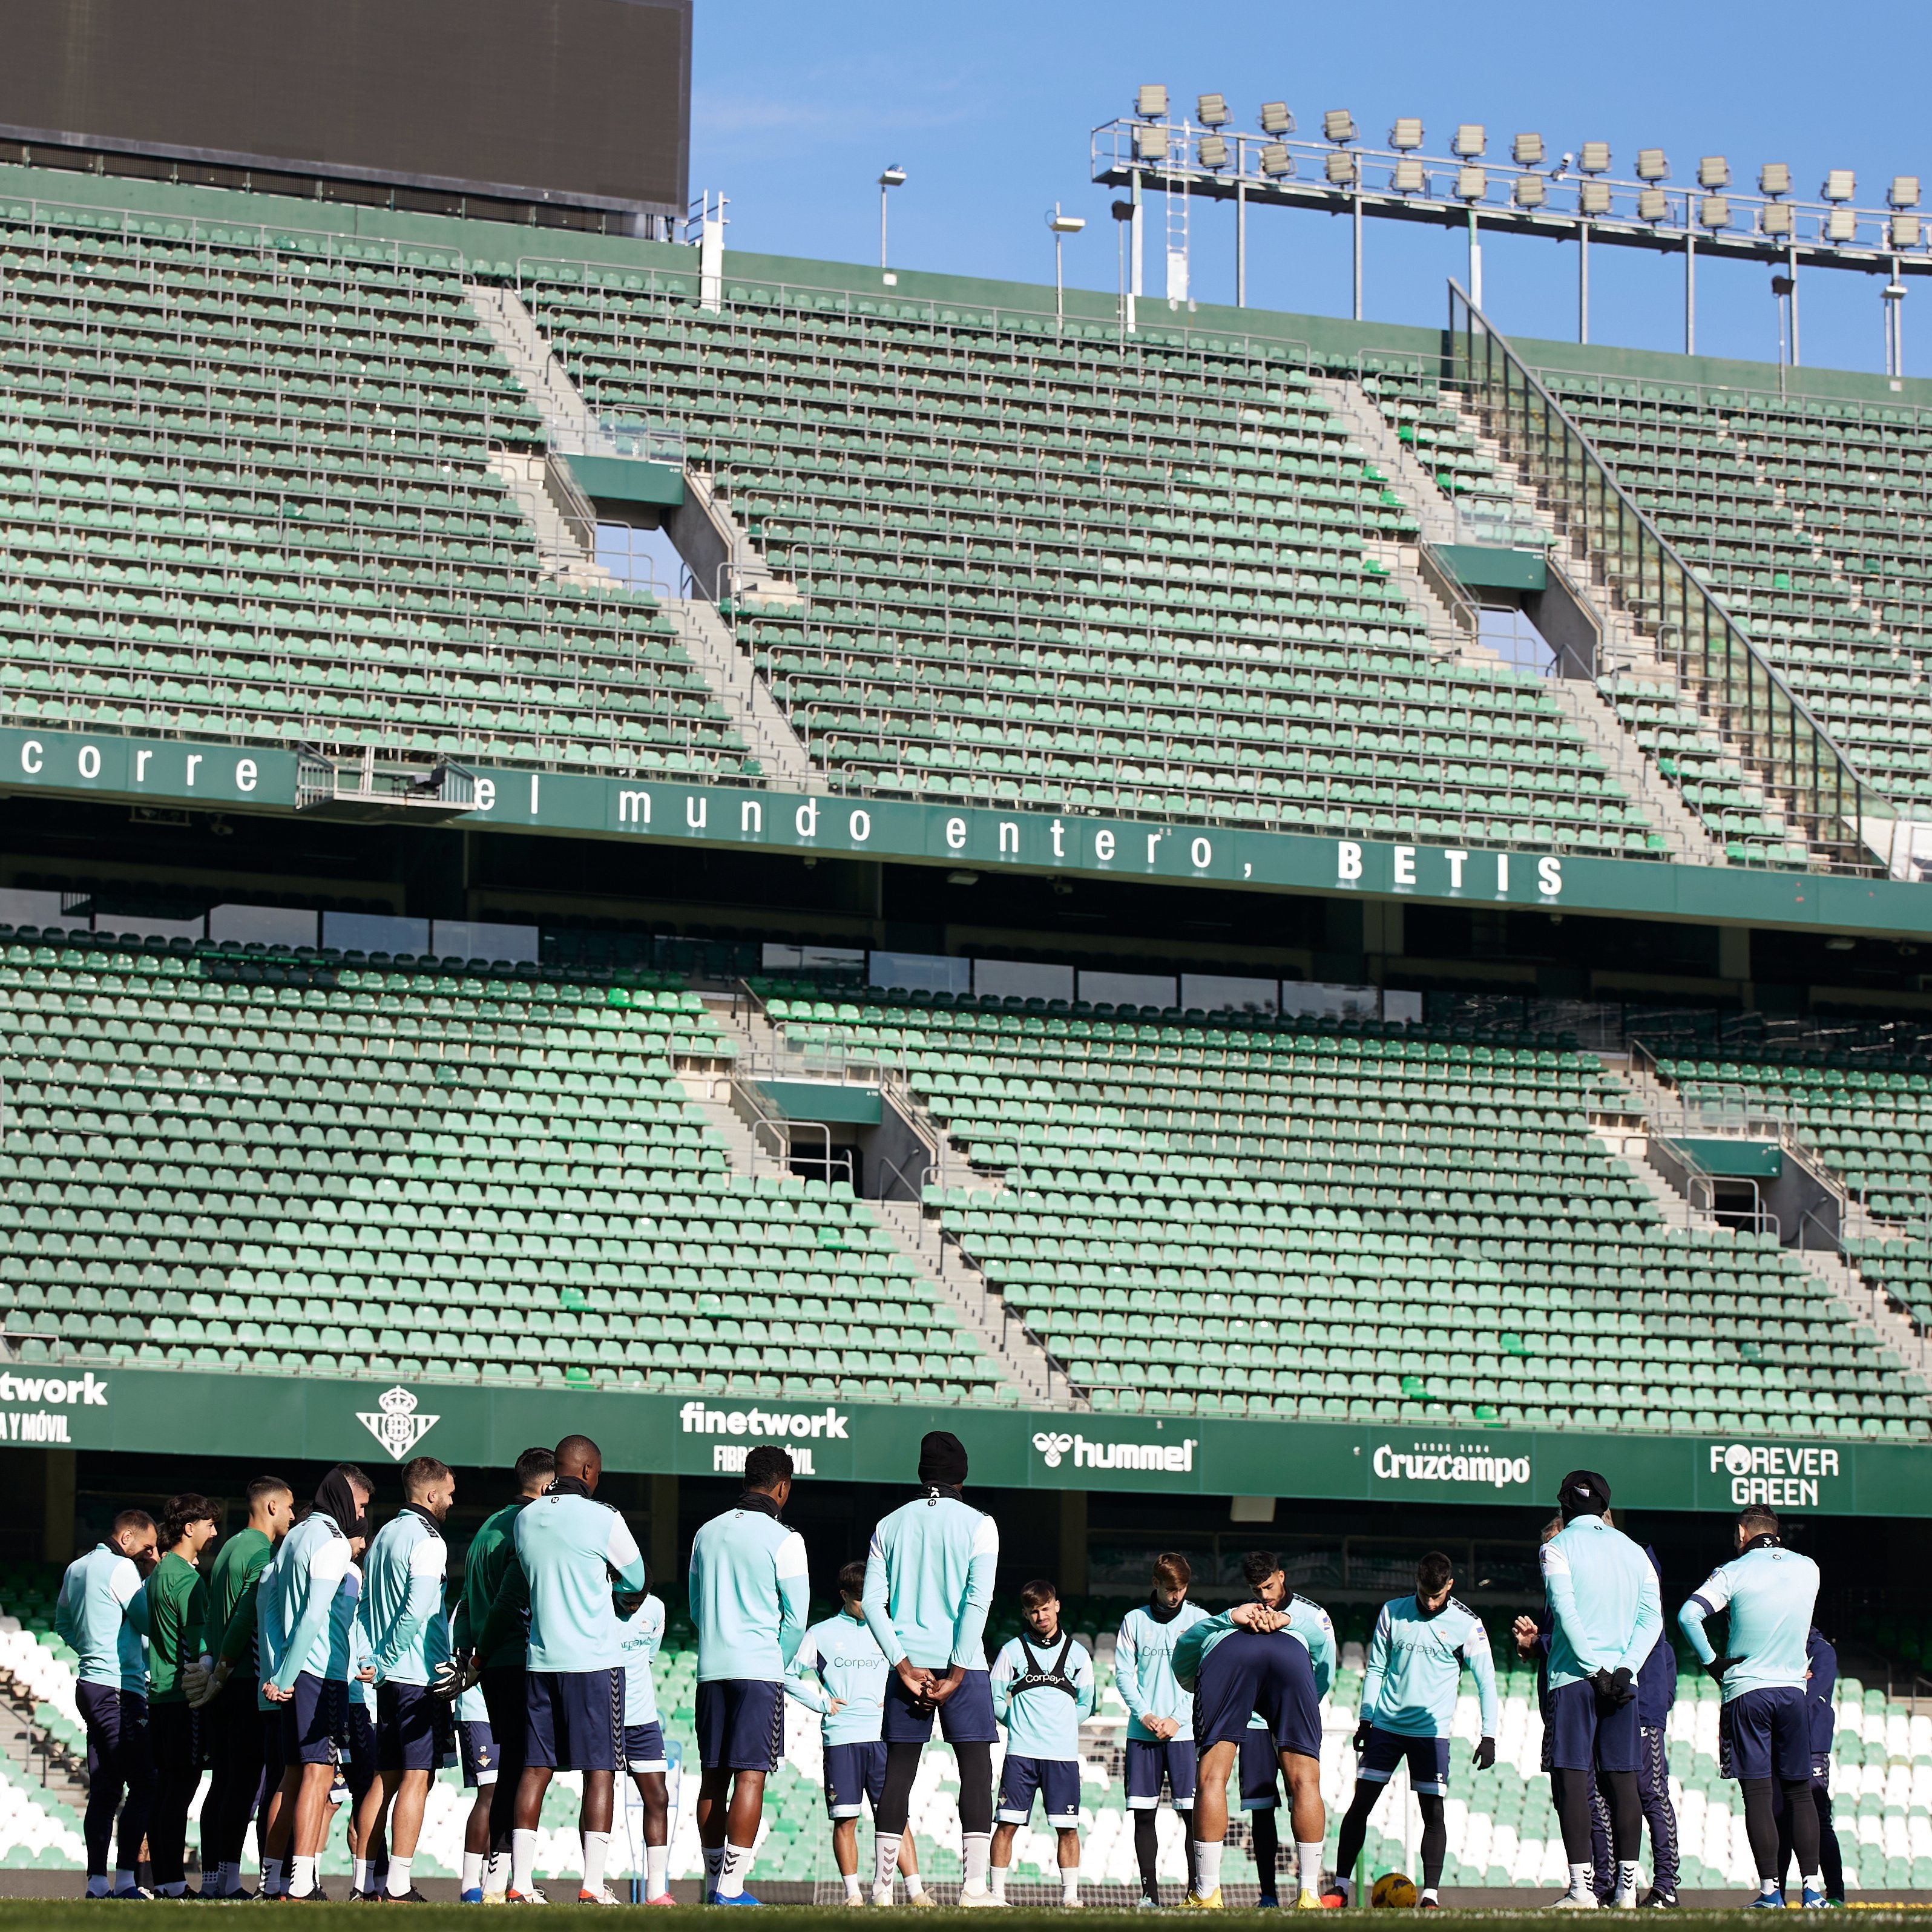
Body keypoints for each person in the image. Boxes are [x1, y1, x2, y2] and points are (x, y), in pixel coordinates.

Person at [479, 1433, 646, 1907]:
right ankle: (592, 1884)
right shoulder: (604, 1517)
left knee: (534, 1769)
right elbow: (635, 1578)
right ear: (589, 1471)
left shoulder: (526, 1519)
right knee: (599, 1772)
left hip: (541, 1659)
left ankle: (520, 1882)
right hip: (593, 1662)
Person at [861, 1430, 1002, 1908]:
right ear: (962, 1474)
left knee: (897, 1773)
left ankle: (880, 1890)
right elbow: (975, 1603)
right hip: (963, 1666)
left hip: (909, 1665)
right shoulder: (981, 1525)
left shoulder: (888, 1525)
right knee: (976, 1772)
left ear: (921, 1472)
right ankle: (975, 1890)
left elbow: (873, 1605)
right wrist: (958, 1675)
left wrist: (902, 1666)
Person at [1334, 1550, 1499, 1911]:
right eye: (1424, 1592)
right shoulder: (1393, 1612)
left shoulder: (1467, 1625)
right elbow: (1376, 1667)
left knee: (1433, 1813)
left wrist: (1489, 1736)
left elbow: (1487, 1682)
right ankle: (1339, 1888)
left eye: (1437, 1595)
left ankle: (1430, 1896)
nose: (1429, 1600)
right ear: (1416, 1582)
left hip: (1431, 1733)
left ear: (1450, 1586)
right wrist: (1366, 1719)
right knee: (1360, 1805)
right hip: (1387, 1728)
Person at [1679, 1504, 1824, 1909]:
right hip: (1793, 1692)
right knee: (1800, 1793)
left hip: (1746, 1691)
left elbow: (1689, 1615)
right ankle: (1812, 1891)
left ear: (1743, 1532)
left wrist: (1712, 1663)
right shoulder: (1809, 1569)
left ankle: (1770, 1892)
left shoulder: (1734, 1571)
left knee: (1758, 1794)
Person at [1174, 1548, 1335, 1912]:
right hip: (1292, 1661)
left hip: (1230, 1657)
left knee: (1213, 1777)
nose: (1263, 1598)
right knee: (1306, 1781)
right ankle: (1309, 1894)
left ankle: (1207, 1894)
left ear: (1282, 1576)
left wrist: (1229, 1620)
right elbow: (1321, 1653)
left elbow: (1184, 1649)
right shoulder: (1301, 1626)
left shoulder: (1227, 1621)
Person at [688, 1444, 810, 1907]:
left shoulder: (706, 1533)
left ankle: (713, 1883)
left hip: (712, 1669)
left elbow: (698, 1608)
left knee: (713, 1777)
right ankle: (732, 1889)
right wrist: (773, 1663)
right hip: (758, 1670)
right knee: (751, 1777)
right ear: (783, 1488)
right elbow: (796, 1621)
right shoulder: (787, 1539)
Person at [1541, 1469, 1661, 1911]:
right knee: (1623, 1780)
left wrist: (1593, 1670)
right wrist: (1625, 1670)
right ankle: (1627, 1891)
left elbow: (1566, 1612)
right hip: (1622, 1682)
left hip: (1575, 1679)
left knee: (1573, 1780)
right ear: (1605, 1507)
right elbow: (1653, 1620)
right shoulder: (1636, 1552)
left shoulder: (1555, 1549)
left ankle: (1581, 1891)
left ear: (1564, 1505)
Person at [787, 1559, 928, 1909]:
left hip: (884, 1737)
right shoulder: (820, 1634)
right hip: (842, 1738)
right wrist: (821, 1703)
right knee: (845, 1819)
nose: (868, 1606)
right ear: (844, 1595)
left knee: (896, 1817)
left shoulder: (890, 1630)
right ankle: (852, 1895)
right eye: (861, 1599)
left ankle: (916, 1893)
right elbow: (786, 1673)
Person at [261, 1465, 373, 1902]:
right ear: (346, 1499)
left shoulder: (294, 1537)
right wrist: (287, 1675)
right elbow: (313, 1615)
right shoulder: (330, 1543)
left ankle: (273, 1880)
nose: (360, 1516)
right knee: (319, 1774)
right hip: (320, 1672)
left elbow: (271, 1609)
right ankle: (303, 1881)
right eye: (360, 1505)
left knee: (292, 1775)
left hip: (295, 1670)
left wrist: (278, 1671)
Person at [186, 1474, 294, 1899]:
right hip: (245, 1680)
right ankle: (230, 1879)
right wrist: (226, 1668)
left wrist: (214, 1669)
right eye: (288, 1508)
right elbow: (245, 1618)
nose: (290, 1515)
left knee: (224, 1783)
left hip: (225, 1682)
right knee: (245, 1784)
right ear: (270, 1507)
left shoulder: (230, 1546)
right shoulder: (261, 1552)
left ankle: (213, 1877)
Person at [356, 1455, 456, 1904]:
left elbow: (364, 1607)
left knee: (385, 1778)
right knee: (417, 1777)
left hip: (388, 1678)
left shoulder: (383, 1537)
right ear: (431, 1494)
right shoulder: (429, 1540)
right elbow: (417, 1610)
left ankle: (364, 1882)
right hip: (416, 1675)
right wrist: (388, 1657)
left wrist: (372, 1659)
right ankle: (397, 1883)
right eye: (449, 1493)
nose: (452, 1501)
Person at [461, 1444, 555, 1891]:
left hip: (494, 1663)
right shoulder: (527, 1526)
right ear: (547, 1486)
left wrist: (475, 1654)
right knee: (526, 1769)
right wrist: (480, 1655)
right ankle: (512, 1879)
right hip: (516, 1658)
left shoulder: (486, 1528)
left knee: (514, 1769)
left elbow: (467, 1601)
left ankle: (497, 1876)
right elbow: (509, 1602)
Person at [54, 1506, 159, 1899]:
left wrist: (92, 1651)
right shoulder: (121, 1569)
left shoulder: (76, 1568)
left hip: (90, 1685)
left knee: (105, 1787)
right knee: (145, 1783)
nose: (149, 1555)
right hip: (119, 1689)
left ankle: (98, 1883)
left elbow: (63, 1624)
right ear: (127, 1537)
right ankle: (128, 1880)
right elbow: (149, 1622)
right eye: (147, 1547)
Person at [1514, 1518, 1612, 1907]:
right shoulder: (1555, 1594)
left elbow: (1582, 1632)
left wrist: (1539, 1642)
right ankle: (1593, 1883)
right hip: (1561, 1698)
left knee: (1584, 1791)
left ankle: (1595, 1884)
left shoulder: (1577, 1588)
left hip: (1577, 1696)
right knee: (1573, 1792)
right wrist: (1532, 1645)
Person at [990, 1579, 1096, 1908]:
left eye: (1046, 1609)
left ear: (1057, 1606)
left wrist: (1062, 1727)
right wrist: (1018, 1724)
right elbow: (993, 1699)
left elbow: (1087, 1704)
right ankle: (996, 1895)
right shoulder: (1011, 1651)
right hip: (1021, 1754)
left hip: (1062, 1756)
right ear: (1025, 1613)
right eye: (1034, 1612)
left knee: (1067, 1828)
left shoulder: (1078, 1654)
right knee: (1007, 1825)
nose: (1041, 1617)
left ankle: (1070, 1897)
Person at [1115, 1552, 1209, 1910]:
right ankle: (1149, 1895)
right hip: (1143, 1733)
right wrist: (1146, 1714)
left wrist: (1176, 1718)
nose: (1177, 1595)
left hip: (1183, 1734)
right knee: (1144, 1813)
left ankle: (1195, 1892)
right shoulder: (1134, 1621)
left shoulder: (1199, 1619)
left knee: (1191, 1813)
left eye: (1182, 1588)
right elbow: (1123, 1673)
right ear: (1156, 1583)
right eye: (1171, 1588)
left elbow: (1204, 1676)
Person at [140, 1494, 217, 1899]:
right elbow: (201, 1648)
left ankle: (164, 1879)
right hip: (182, 1698)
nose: (214, 1531)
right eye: (209, 1523)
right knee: (180, 1789)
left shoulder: (158, 1575)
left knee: (166, 1789)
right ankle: (170, 1882)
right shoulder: (188, 1580)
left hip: (159, 1695)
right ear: (189, 1528)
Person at [617, 1569, 677, 1907]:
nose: (632, 1604)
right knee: (598, 1794)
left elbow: (648, 1658)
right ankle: (592, 1885)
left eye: (638, 1599)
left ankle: (656, 1891)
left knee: (658, 1798)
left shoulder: (655, 1609)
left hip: (643, 1720)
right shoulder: (596, 1607)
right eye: (627, 1597)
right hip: (603, 1718)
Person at [1774, 1628, 1845, 1905]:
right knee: (1779, 1820)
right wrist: (1794, 1681)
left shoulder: (1822, 1651)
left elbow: (1805, 1697)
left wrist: (1783, 1682)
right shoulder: (1779, 1643)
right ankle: (1775, 1895)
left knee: (1818, 1820)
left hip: (1812, 1746)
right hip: (1781, 1744)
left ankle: (1835, 1893)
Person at [1635, 1548, 1681, 1910]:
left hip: (1643, 1716)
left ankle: (1666, 1884)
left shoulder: (1650, 1617)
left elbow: (1665, 1668)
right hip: (1629, 1711)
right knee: (1619, 1798)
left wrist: (1654, 1709)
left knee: (1652, 1794)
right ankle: (1616, 1884)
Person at [448, 1594, 502, 1905]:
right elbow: (461, 1654)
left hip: (506, 1708)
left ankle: (491, 1882)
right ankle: (470, 1883)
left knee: (503, 1793)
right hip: (478, 1708)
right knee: (490, 1791)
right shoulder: (469, 1603)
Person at [342, 1542, 385, 1901]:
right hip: (358, 1708)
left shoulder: (375, 1603)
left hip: (373, 1708)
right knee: (363, 1795)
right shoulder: (356, 1601)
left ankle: (376, 1880)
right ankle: (365, 1882)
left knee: (372, 1794)